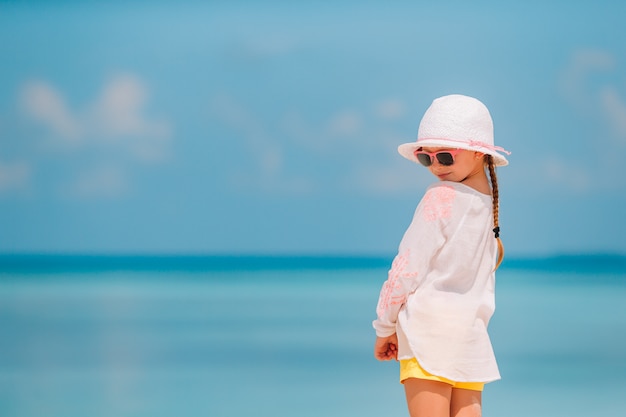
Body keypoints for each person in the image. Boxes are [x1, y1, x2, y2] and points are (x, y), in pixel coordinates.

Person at [372, 94, 511, 417]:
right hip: (469, 338)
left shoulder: (441, 198)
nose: (435, 166)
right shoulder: (487, 208)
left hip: (427, 334)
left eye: (445, 156)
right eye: (426, 158)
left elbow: (406, 268)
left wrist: (384, 326)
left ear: (479, 153)